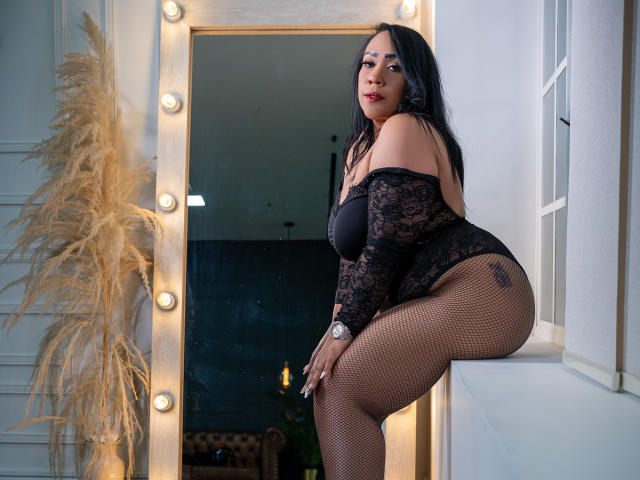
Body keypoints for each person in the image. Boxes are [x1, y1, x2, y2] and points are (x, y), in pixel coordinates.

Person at [299, 23, 535, 479]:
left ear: (415, 82)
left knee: (342, 386)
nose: (375, 76)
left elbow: (385, 247)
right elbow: (352, 260)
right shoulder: (359, 149)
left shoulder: (406, 128)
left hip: (486, 294)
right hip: (445, 295)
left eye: (394, 67)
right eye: (368, 64)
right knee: (332, 381)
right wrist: (337, 325)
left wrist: (345, 330)